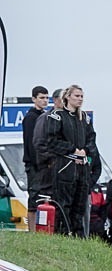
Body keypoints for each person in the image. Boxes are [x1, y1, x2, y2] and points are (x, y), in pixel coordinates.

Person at [43, 84, 97, 236]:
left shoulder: (85, 118)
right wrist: (73, 150)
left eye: (81, 96)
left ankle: (78, 238)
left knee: (79, 206)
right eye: (77, 96)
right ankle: (63, 235)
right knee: (64, 205)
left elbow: (92, 139)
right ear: (67, 97)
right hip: (64, 167)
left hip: (82, 169)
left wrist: (85, 151)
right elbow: (51, 141)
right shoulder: (57, 116)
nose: (80, 99)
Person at [22, 85, 49, 231]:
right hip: (34, 164)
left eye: (46, 98)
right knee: (34, 196)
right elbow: (30, 143)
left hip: (44, 164)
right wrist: (37, 162)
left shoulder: (44, 116)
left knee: (43, 197)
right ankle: (31, 229)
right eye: (42, 98)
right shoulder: (30, 117)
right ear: (34, 99)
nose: (45, 101)